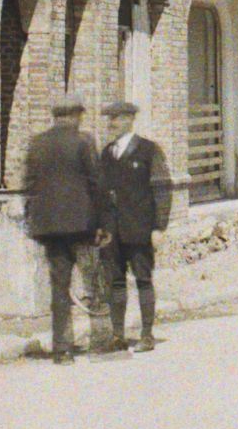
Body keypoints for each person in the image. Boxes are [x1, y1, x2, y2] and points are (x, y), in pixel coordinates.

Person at [22, 94, 101, 364]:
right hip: (82, 225)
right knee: (94, 282)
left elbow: (29, 185)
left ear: (55, 116)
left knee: (59, 285)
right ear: (77, 115)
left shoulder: (37, 143)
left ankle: (62, 350)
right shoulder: (84, 142)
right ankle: (102, 341)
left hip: (49, 226)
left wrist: (32, 220)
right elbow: (95, 182)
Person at [96, 100, 170, 354]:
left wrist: (159, 227)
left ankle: (147, 335)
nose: (111, 124)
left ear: (129, 120)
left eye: (116, 119)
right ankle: (118, 336)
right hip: (111, 231)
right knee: (114, 282)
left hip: (139, 228)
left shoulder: (148, 150)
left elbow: (162, 189)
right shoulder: (106, 153)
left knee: (143, 279)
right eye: (110, 119)